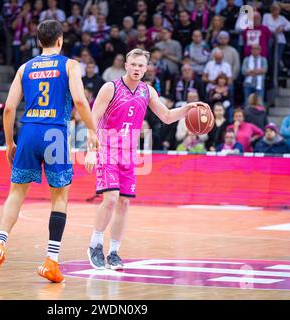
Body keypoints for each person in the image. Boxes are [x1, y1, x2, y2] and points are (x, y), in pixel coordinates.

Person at [0, 20, 98, 283]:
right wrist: (92, 130)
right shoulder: (69, 65)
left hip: (29, 132)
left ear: (37, 41)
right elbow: (79, 100)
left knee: (16, 193)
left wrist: (10, 142)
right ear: (60, 41)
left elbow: (9, 108)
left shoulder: (25, 68)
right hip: (55, 133)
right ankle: (51, 261)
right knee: (59, 197)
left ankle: (0, 243)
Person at [84, 48, 210, 270]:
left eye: (141, 66)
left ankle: (114, 252)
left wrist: (188, 108)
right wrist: (91, 151)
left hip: (129, 152)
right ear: (126, 65)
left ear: (146, 68)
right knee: (111, 198)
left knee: (124, 202)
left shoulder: (147, 91)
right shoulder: (109, 88)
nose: (137, 69)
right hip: (107, 148)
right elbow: (91, 121)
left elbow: (168, 116)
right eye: (133, 65)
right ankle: (95, 245)